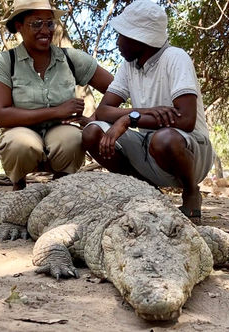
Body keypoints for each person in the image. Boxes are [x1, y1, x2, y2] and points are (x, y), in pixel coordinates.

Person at [82, 0, 215, 220]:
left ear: (139, 39)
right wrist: (145, 112)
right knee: (92, 132)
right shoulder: (129, 66)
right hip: (148, 147)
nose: (117, 42)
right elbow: (104, 110)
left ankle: (191, 191)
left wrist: (128, 120)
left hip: (189, 149)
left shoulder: (175, 58)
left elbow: (186, 120)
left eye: (122, 36)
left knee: (163, 139)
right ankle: (147, 191)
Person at [0, 0, 113, 190]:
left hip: (61, 130)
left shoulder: (70, 58)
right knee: (20, 145)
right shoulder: (5, 62)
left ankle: (59, 190)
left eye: (49, 23)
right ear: (19, 26)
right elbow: (0, 115)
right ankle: (18, 188)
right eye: (36, 23)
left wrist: (95, 119)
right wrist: (57, 111)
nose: (45, 30)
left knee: (73, 140)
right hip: (20, 130)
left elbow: (116, 89)